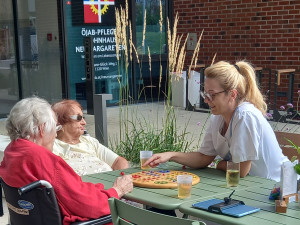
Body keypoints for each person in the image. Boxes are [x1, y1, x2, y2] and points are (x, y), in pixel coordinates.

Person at [144, 60, 289, 182]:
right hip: (248, 185)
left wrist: (220, 164)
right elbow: (203, 158)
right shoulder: (218, 116)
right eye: (205, 94)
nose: (206, 100)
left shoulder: (245, 116)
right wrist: (170, 155)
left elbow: (241, 170)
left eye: (212, 95)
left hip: (275, 189)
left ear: (232, 94)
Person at [0, 97, 133, 225]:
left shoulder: (11, 153)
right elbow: (91, 205)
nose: (55, 135)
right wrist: (117, 190)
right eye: (55, 129)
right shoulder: (42, 158)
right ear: (42, 129)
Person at [51, 100, 128, 176]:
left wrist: (121, 179)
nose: (84, 122)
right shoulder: (52, 146)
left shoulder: (89, 141)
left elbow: (118, 161)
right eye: (78, 118)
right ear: (60, 121)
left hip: (109, 185)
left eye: (83, 117)